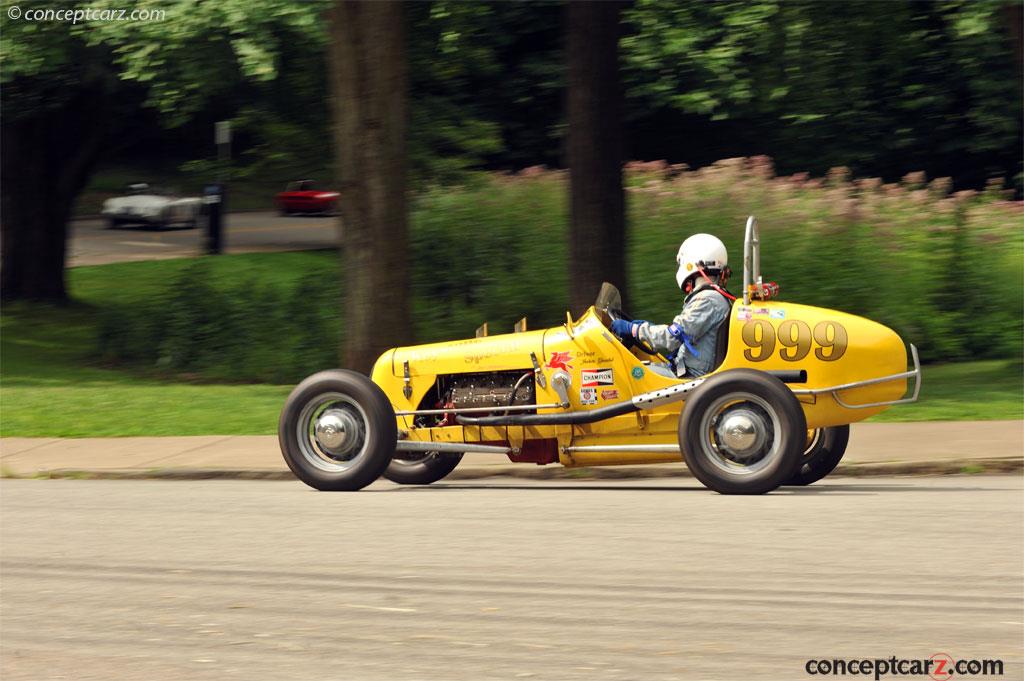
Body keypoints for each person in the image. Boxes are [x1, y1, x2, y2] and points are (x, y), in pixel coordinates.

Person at [610, 234, 735, 378]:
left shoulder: (708, 300)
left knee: (623, 375)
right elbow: (679, 333)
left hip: (690, 376)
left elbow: (672, 338)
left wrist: (634, 330)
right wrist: (645, 328)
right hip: (684, 368)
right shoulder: (715, 298)